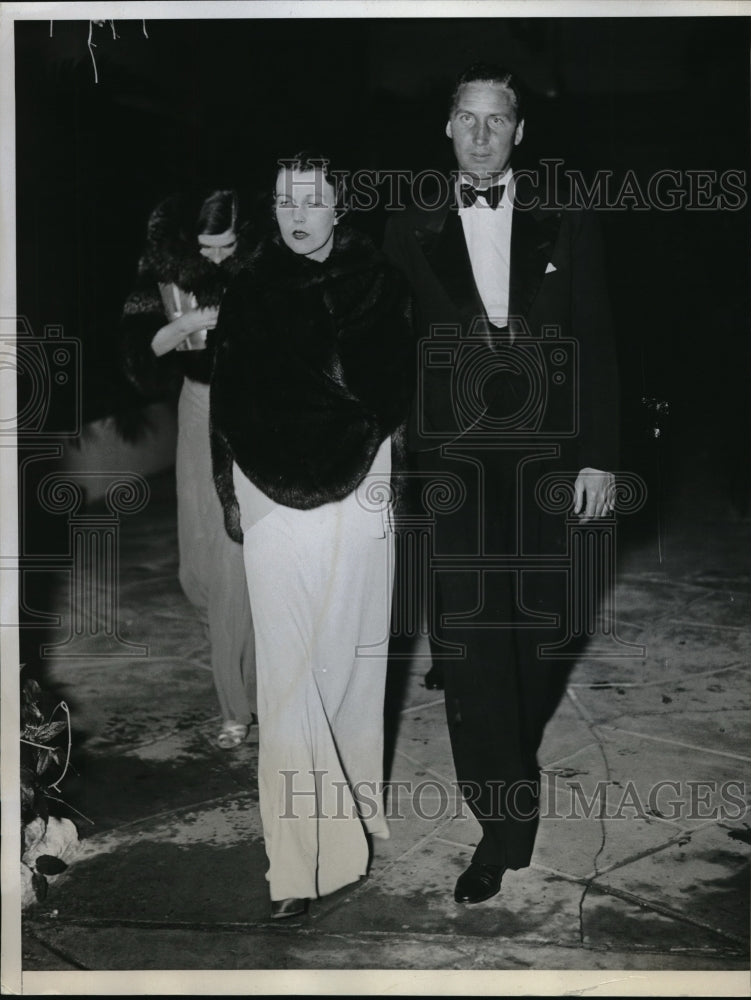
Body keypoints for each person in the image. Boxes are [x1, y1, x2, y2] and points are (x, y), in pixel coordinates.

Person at [383, 63, 619, 904]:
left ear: (520, 132)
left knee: (538, 632)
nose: (481, 135)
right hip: (452, 461)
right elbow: (383, 343)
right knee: (475, 645)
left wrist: (600, 456)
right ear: (447, 126)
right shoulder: (407, 223)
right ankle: (501, 823)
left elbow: (597, 334)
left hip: (550, 457)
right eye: (468, 118)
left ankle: (511, 756)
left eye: (497, 121)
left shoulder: (567, 212)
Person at [209, 153, 415, 919]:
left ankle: (355, 805)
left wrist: (374, 461)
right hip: (269, 490)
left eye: (312, 199)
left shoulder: (380, 283)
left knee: (352, 661)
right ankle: (298, 862)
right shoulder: (249, 286)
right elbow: (226, 401)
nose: (298, 214)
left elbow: (396, 393)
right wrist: (235, 492)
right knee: (290, 677)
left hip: (359, 482)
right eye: (284, 200)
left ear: (339, 205)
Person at [121, 189, 257, 749]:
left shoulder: (263, 270)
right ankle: (246, 688)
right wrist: (194, 321)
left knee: (233, 568)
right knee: (197, 570)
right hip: (197, 409)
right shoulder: (166, 272)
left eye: (228, 246)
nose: (218, 258)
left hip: (250, 415)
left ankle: (238, 708)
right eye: (208, 248)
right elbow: (141, 350)